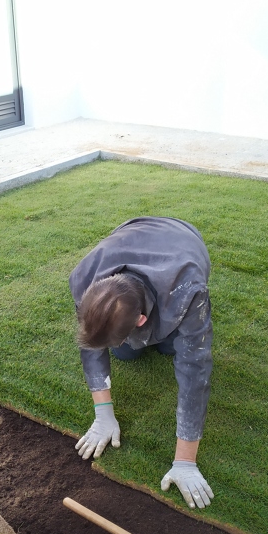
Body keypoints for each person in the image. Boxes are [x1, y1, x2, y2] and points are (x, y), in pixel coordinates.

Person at [69, 216, 214, 510]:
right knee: (126, 351)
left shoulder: (188, 290)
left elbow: (195, 370)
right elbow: (93, 342)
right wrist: (103, 413)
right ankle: (133, 342)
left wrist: (184, 461)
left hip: (182, 239)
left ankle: (162, 336)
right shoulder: (84, 278)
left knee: (172, 347)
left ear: (141, 319)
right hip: (133, 232)